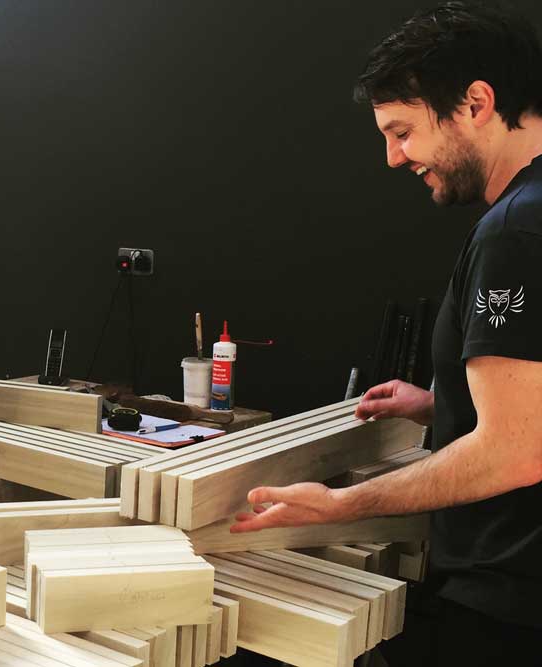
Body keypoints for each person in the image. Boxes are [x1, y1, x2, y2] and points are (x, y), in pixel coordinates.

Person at [229, 2, 542, 662]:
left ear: (477, 103)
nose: (395, 158)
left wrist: (340, 502)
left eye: (402, 131)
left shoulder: (514, 231)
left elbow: (516, 449)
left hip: (505, 607)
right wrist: (440, 402)